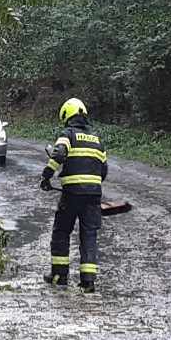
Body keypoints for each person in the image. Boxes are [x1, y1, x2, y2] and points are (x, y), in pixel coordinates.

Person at [41, 96, 107, 291]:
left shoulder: (67, 134)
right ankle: (88, 282)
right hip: (93, 196)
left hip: (71, 195)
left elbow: (59, 154)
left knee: (61, 232)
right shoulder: (97, 140)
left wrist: (47, 176)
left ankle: (59, 276)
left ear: (67, 116)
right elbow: (103, 170)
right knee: (89, 236)